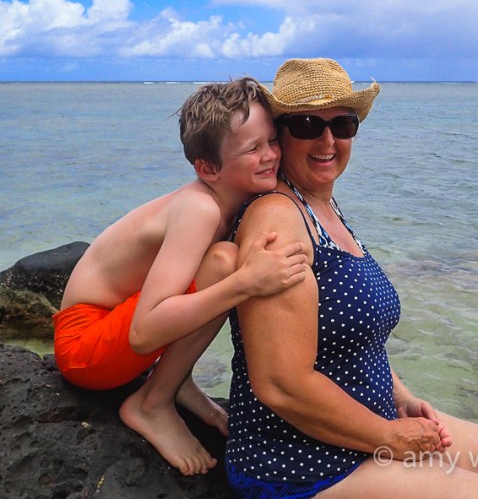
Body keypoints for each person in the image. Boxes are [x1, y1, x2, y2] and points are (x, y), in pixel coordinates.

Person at [225, 58, 478, 498]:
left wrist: (400, 395)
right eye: (308, 125)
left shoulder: (323, 208)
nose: (328, 140)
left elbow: (351, 341)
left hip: (371, 424)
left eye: (343, 125)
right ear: (279, 136)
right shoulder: (278, 217)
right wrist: (388, 436)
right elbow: (281, 385)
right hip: (304, 461)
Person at [53, 77, 308, 477]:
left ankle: (175, 379)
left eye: (272, 140)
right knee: (224, 263)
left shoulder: (230, 201)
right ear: (207, 168)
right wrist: (246, 282)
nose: (271, 155)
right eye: (252, 148)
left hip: (116, 331)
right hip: (85, 348)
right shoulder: (199, 210)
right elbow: (143, 333)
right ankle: (152, 403)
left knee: (222, 264)